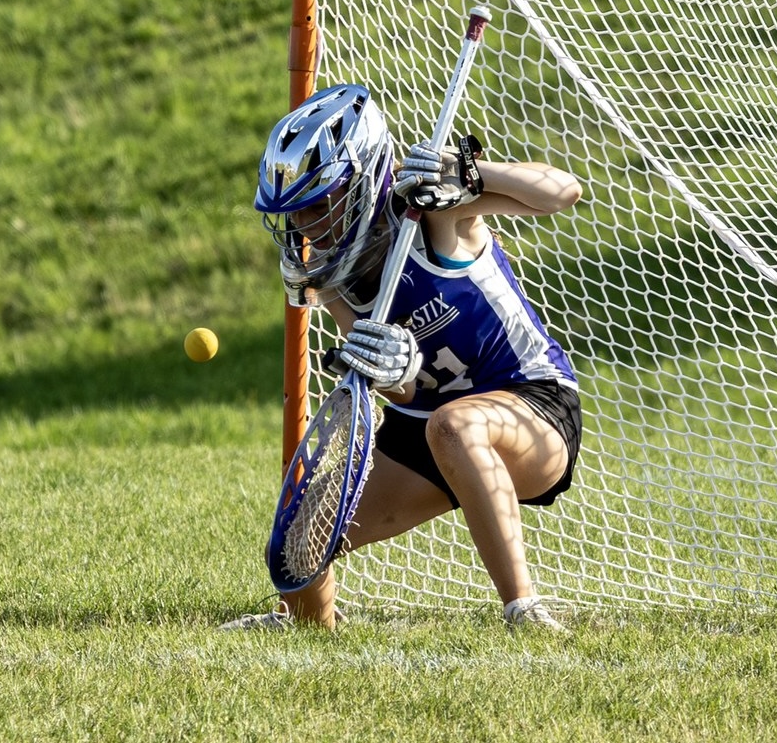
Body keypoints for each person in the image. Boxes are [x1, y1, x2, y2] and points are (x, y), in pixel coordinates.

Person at [221, 82, 582, 632]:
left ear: (361, 180)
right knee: (303, 534)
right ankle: (303, 628)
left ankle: (523, 610)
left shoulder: (435, 215)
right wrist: (398, 373)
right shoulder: (334, 275)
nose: (304, 228)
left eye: (316, 206)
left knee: (454, 425)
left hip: (530, 402)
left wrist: (472, 176)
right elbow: (403, 394)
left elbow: (562, 192)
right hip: (424, 425)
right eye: (295, 214)